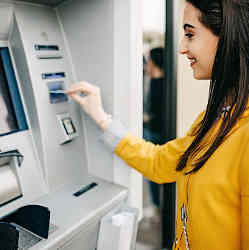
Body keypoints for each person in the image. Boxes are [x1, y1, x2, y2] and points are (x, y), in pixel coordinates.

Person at [67, 0, 249, 249]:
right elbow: (159, 162)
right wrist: (101, 118)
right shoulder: (216, 118)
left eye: (190, 34)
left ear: (228, 35)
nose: (182, 47)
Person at [143, 47, 165, 221]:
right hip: (152, 130)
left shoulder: (160, 85)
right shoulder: (155, 81)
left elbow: (155, 113)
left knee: (151, 170)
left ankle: (157, 206)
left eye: (148, 60)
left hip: (155, 133)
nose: (146, 64)